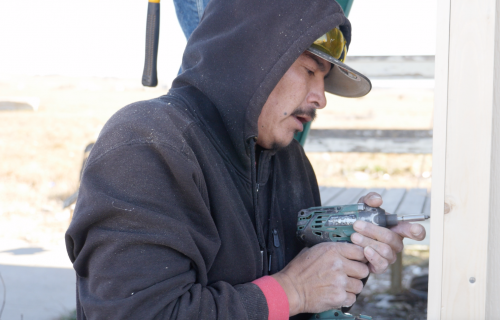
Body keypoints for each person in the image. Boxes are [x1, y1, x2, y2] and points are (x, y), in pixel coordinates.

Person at [65, 0, 426, 319]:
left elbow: (301, 300)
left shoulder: (291, 163)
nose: (321, 98)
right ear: (254, 56)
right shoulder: (146, 144)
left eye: (325, 78)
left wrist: (342, 266)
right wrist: (292, 291)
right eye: (310, 70)